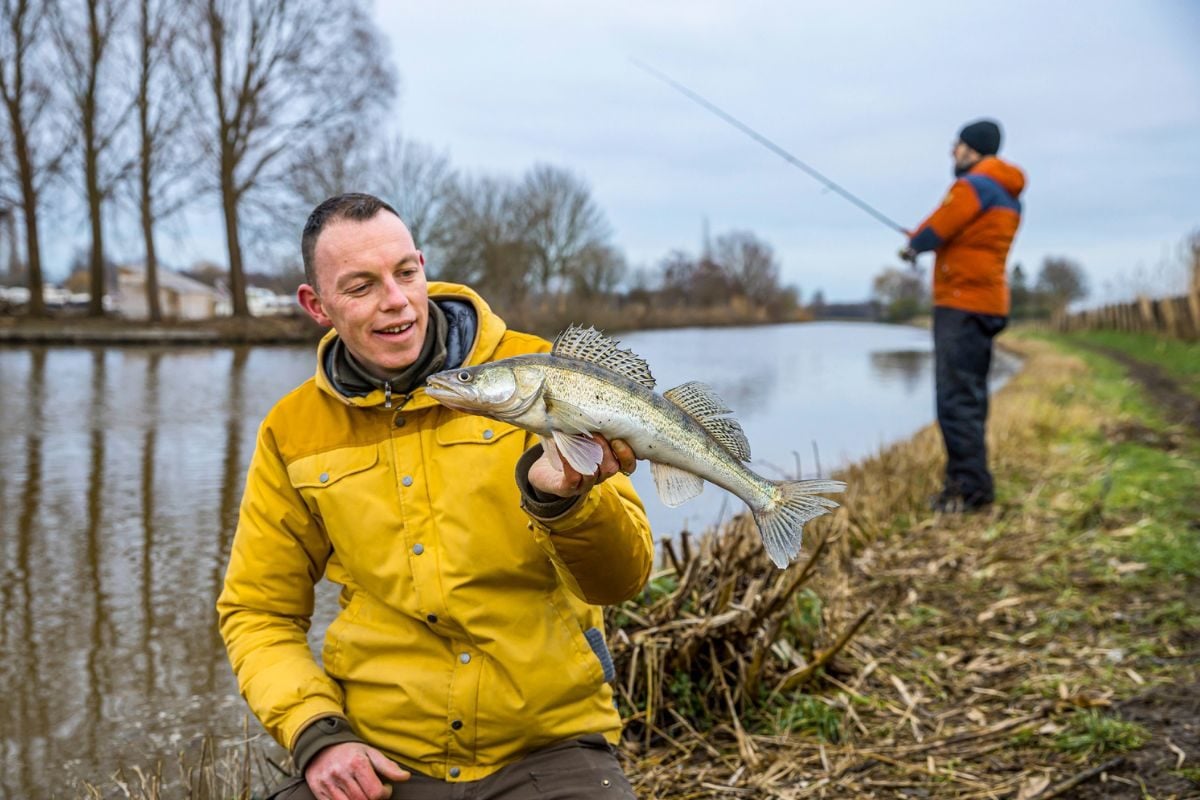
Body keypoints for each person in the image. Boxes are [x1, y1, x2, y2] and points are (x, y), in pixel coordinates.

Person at [217, 193, 654, 800]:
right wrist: (318, 734)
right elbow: (258, 611)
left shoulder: (546, 378)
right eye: (360, 286)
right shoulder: (291, 431)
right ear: (316, 305)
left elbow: (622, 580)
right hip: (384, 754)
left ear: (423, 265)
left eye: (405, 272)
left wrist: (569, 504)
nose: (395, 301)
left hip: (548, 746)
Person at [899, 119, 1026, 512]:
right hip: (987, 302)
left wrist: (913, 246)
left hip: (961, 302)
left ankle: (968, 492)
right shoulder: (1007, 191)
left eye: (957, 146)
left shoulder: (974, 185)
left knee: (955, 401)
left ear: (973, 149)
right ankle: (973, 483)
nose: (953, 153)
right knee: (970, 396)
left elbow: (940, 226)